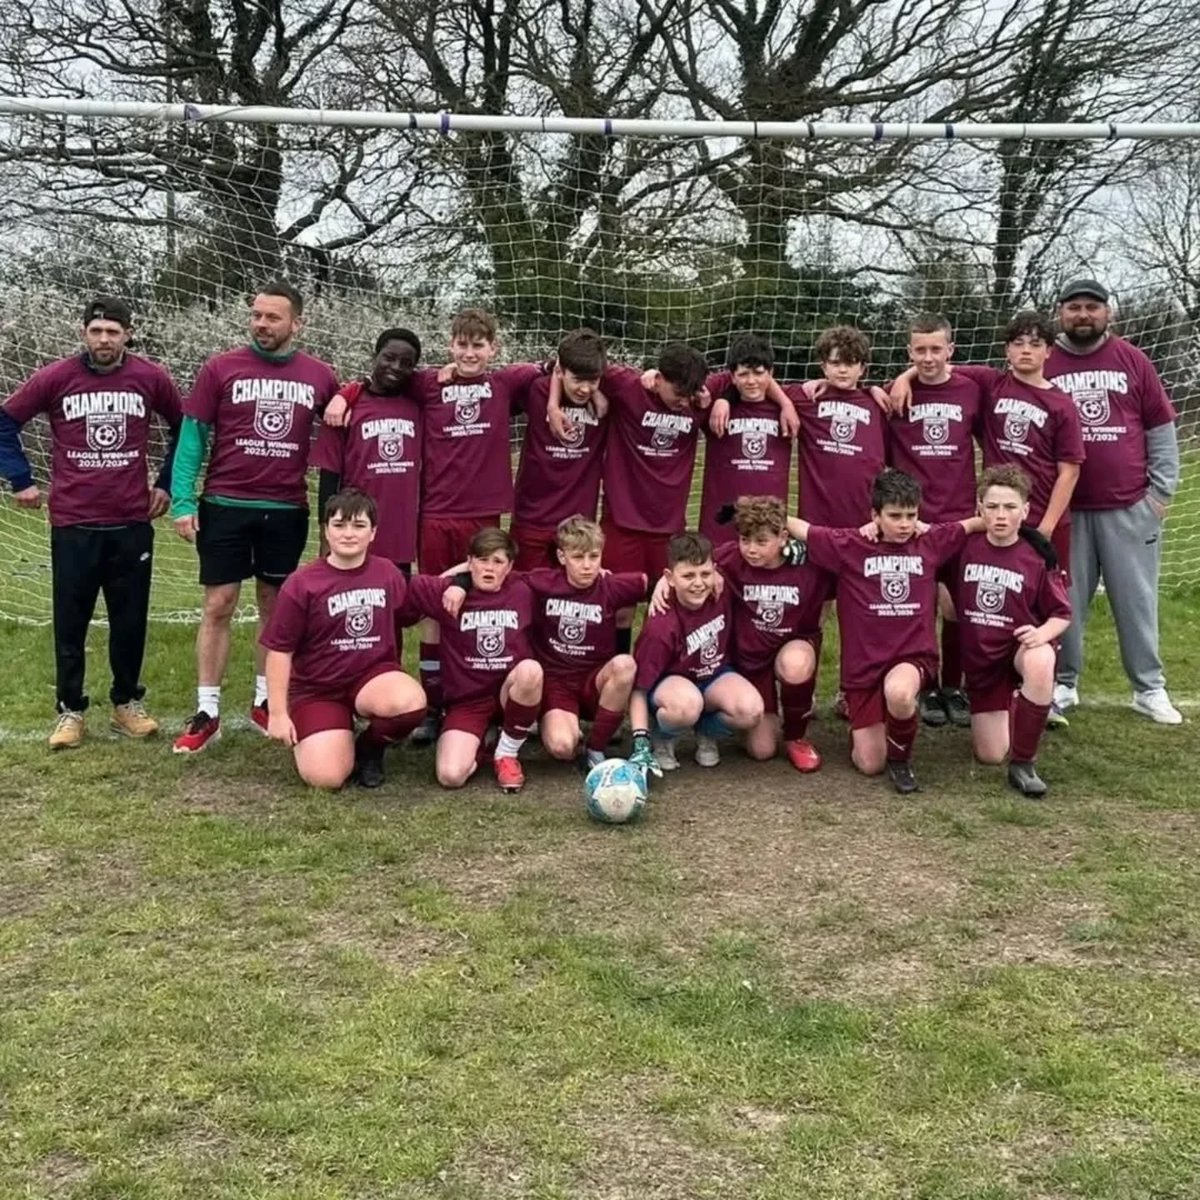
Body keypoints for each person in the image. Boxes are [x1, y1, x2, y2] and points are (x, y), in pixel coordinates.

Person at [327, 308, 544, 745]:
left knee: (483, 601)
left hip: (482, 514)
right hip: (434, 513)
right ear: (450, 346)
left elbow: (553, 367)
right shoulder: (426, 382)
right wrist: (344, 393)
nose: (469, 353)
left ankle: (487, 698)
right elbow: (377, 381)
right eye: (461, 344)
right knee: (433, 605)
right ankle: (432, 702)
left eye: (478, 345)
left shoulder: (504, 384)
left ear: (493, 349)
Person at [0, 296, 182, 748]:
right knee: (71, 620)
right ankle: (70, 711)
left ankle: (126, 703)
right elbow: (4, 421)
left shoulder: (150, 377)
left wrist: (166, 482)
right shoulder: (57, 377)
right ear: (84, 332)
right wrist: (21, 479)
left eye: (113, 332)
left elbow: (188, 427)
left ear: (128, 334)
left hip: (130, 522)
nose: (105, 339)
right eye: (97, 330)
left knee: (130, 619)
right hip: (74, 521)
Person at [171, 280, 339, 753]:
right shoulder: (221, 368)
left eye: (272, 317)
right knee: (218, 604)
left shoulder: (319, 376)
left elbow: (344, 426)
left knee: (276, 608)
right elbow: (193, 436)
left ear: (296, 323)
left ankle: (267, 701)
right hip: (225, 505)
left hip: (286, 509)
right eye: (256, 315)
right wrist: (183, 501)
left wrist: (349, 395)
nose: (261, 324)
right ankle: (207, 710)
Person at [786, 469, 983, 795]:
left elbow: (973, 524)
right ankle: (870, 722)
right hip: (865, 668)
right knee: (868, 764)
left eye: (911, 515)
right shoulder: (851, 544)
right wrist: (751, 509)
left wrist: (1023, 530)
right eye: (894, 516)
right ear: (874, 515)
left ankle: (901, 760)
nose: (905, 523)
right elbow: (802, 528)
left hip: (912, 657)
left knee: (901, 693)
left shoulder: (930, 541)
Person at [1044, 278, 1182, 726]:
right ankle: (1064, 683)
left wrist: (1159, 494)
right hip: (1067, 510)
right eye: (1074, 307)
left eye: (1091, 307)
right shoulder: (1044, 361)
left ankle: (1149, 688)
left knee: (1136, 601)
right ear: (1060, 313)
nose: (1083, 315)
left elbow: (1160, 428)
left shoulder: (1133, 360)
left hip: (1129, 509)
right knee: (1066, 600)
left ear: (1108, 313)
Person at [259, 489, 427, 789]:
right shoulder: (302, 583)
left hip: (369, 678)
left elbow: (425, 595)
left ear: (373, 532)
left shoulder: (386, 572)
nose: (348, 534)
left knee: (410, 702)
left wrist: (462, 579)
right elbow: (279, 651)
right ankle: (331, 731)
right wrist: (278, 713)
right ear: (325, 529)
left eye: (358, 525)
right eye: (339, 525)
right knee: (327, 778)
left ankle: (370, 746)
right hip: (318, 689)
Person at [549, 342, 710, 655]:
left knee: (667, 605)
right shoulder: (626, 385)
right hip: (623, 522)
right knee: (621, 609)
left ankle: (660, 673)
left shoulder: (697, 401)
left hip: (669, 526)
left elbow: (741, 379)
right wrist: (556, 405)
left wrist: (719, 402)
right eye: (678, 393)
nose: (683, 402)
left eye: (690, 395)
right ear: (659, 378)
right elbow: (565, 360)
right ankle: (616, 673)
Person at [887, 315, 985, 729]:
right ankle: (925, 687)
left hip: (960, 517)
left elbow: (987, 441)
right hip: (913, 521)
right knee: (917, 606)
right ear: (909, 351)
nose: (927, 358)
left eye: (935, 349)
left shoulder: (972, 388)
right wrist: (901, 378)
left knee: (957, 607)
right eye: (919, 350)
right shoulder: (895, 397)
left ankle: (953, 687)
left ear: (951, 349)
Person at [956, 466, 1072, 797]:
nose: (1001, 516)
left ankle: (1023, 764)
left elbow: (1062, 614)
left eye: (1010, 507)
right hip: (983, 665)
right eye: (992, 507)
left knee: (1040, 659)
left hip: (1018, 650)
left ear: (1026, 510)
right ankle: (1016, 706)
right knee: (991, 755)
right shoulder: (964, 549)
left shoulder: (1037, 556)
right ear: (979, 509)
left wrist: (1042, 634)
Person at [405, 526, 543, 794]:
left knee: (530, 670)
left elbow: (571, 579)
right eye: (482, 560)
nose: (489, 568)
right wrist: (460, 583)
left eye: (498, 561)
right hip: (468, 702)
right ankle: (484, 742)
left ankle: (506, 753)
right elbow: (394, 581)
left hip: (510, 693)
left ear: (510, 566)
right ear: (469, 562)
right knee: (450, 775)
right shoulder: (447, 592)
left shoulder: (524, 588)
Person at [630, 531, 764, 773]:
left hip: (713, 675)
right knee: (687, 705)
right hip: (672, 688)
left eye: (705, 573)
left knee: (751, 710)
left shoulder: (720, 590)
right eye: (688, 576)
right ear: (669, 578)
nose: (699, 583)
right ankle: (664, 736)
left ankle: (706, 731)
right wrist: (641, 741)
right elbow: (638, 689)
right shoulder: (661, 626)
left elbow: (745, 550)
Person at [525, 516, 645, 768]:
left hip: (595, 681)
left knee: (625, 664)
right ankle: (561, 726)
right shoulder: (543, 582)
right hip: (557, 683)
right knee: (562, 747)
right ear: (561, 557)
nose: (588, 566)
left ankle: (596, 747)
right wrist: (460, 583)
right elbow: (497, 576)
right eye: (578, 558)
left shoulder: (611, 585)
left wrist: (666, 585)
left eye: (594, 556)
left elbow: (657, 581)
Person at [312, 327, 425, 577]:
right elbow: (329, 476)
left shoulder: (419, 407)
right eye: (389, 357)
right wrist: (325, 533)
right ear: (375, 357)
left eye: (406, 363)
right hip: (355, 528)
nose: (395, 366)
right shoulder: (344, 410)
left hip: (399, 533)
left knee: (395, 610)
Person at [511, 330, 610, 570]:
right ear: (560, 371)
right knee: (526, 592)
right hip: (532, 516)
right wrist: (553, 405)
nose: (585, 389)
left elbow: (646, 379)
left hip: (578, 522)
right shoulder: (536, 390)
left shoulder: (609, 395)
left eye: (593, 382)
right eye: (577, 380)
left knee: (572, 597)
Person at [696, 335, 794, 545]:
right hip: (722, 522)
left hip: (769, 524)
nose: (751, 381)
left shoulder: (792, 405)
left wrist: (872, 389)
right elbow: (686, 385)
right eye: (743, 374)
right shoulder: (714, 405)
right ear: (732, 377)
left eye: (759, 373)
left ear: (771, 374)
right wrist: (724, 398)